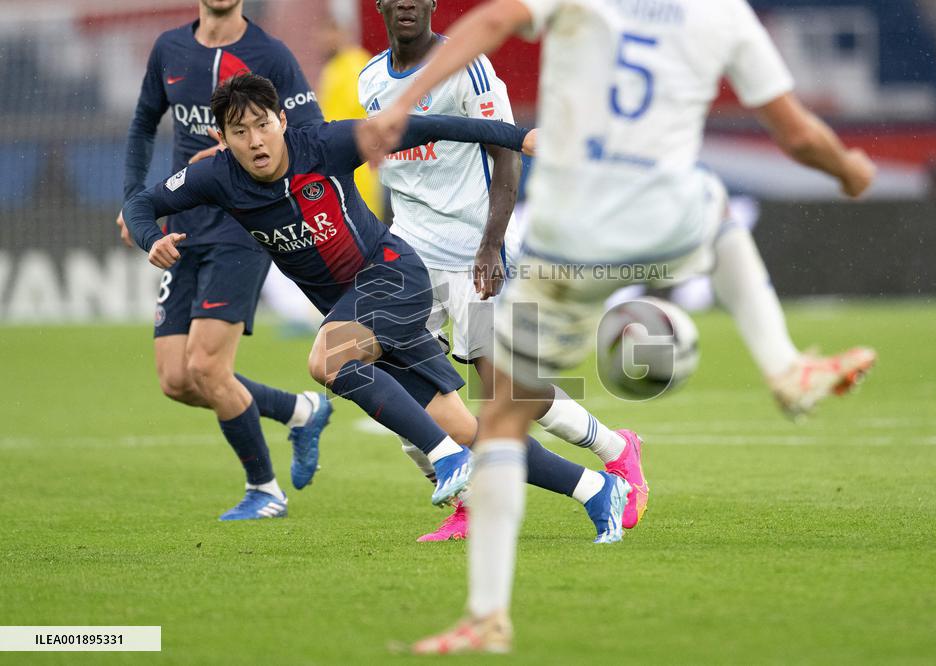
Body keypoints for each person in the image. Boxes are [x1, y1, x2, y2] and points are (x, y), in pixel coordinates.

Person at [357, 0, 878, 653]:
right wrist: (850, 170)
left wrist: (410, 111)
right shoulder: (725, 16)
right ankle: (782, 365)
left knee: (502, 422)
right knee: (714, 206)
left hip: (558, 236)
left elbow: (489, 26)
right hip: (658, 215)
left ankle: (488, 612)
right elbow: (799, 136)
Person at [123, 74, 631, 544]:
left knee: (327, 360)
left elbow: (431, 125)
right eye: (240, 131)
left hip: (392, 277)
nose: (255, 141)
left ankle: (445, 457)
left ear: (281, 120)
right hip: (359, 312)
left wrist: (519, 137)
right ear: (223, 138)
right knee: (469, 429)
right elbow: (140, 206)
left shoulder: (325, 143)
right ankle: (593, 489)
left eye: (262, 124)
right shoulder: (215, 175)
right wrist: (151, 240)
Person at [361, 0, 647, 543]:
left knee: (508, 400)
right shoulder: (369, 79)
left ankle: (615, 449)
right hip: (408, 258)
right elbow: (389, 169)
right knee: (407, 398)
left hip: (473, 253)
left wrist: (491, 245)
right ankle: (467, 504)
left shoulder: (468, 67)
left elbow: (508, 154)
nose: (405, 3)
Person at [115, 0, 333, 521]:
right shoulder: (170, 48)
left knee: (208, 366)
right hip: (184, 226)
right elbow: (144, 123)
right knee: (177, 379)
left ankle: (265, 491)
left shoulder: (270, 55)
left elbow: (310, 134)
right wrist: (132, 200)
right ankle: (297, 410)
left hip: (244, 227)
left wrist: (232, 157)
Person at [316, 18, 384, 218]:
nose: (325, 41)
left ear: (342, 35)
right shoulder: (334, 67)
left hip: (357, 153)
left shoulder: (354, 63)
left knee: (363, 215)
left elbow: (361, 109)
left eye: (330, 35)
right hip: (339, 154)